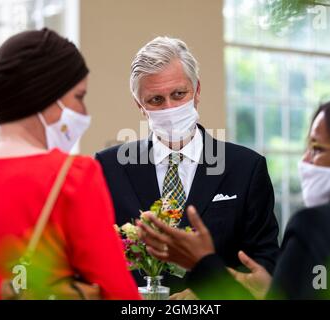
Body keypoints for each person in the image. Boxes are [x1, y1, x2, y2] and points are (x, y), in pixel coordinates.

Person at [138, 94, 330, 299]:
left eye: (317, 149)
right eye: (156, 99)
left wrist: (204, 263)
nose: (305, 160)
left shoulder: (317, 225)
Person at [0, 28, 140, 300]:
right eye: (79, 97)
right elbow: (119, 294)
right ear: (47, 96)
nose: (84, 113)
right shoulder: (73, 177)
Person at [96, 36, 279, 295]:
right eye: (156, 100)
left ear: (197, 91)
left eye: (179, 94)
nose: (170, 107)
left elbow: (265, 262)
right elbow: (95, 256)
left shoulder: (246, 168)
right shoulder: (108, 167)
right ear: (139, 106)